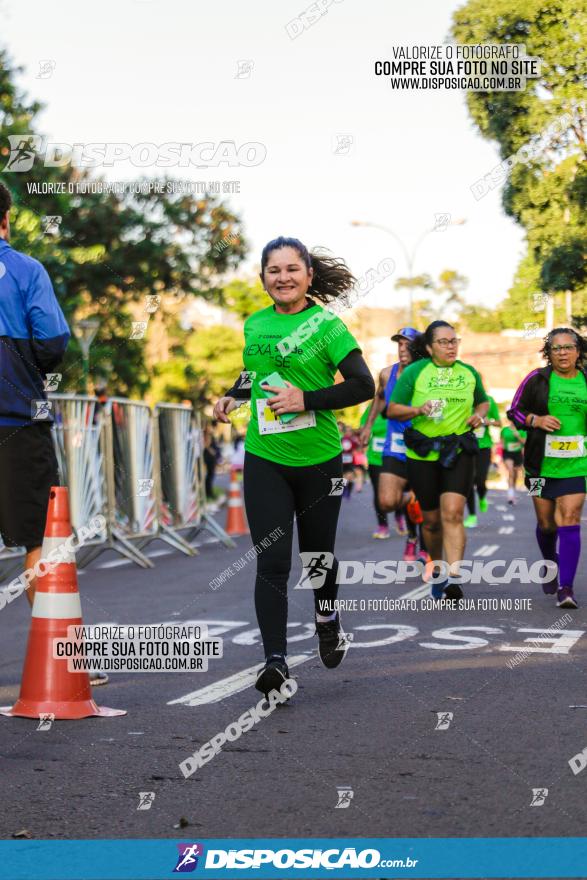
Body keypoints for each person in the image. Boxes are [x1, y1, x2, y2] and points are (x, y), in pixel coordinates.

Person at [213, 236, 374, 696]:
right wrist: (233, 394)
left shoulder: (327, 326)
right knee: (273, 561)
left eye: (291, 269)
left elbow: (362, 385)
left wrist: (306, 399)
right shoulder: (254, 324)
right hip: (265, 457)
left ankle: (327, 616)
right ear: (262, 278)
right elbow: (253, 374)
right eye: (273, 270)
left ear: (308, 275)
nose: (282, 278)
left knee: (317, 556)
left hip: (319, 460)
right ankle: (276, 662)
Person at [0, 181, 70, 608]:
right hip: (17, 420)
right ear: (5, 220)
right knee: (41, 537)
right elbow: (53, 344)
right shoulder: (27, 270)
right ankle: (57, 659)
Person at [388, 321, 489, 600]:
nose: (451, 346)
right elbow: (392, 409)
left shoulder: (468, 373)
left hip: (459, 449)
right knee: (431, 521)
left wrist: (478, 415)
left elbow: (482, 401)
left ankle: (454, 578)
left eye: (454, 340)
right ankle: (437, 566)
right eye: (443, 342)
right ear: (430, 347)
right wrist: (418, 409)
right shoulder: (415, 372)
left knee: (454, 512)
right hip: (423, 453)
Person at [508, 328, 587, 609]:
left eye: (568, 347)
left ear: (579, 351)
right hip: (538, 467)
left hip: (577, 465)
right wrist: (535, 420)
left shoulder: (586, 381)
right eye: (556, 348)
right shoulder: (537, 379)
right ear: (549, 353)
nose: (563, 353)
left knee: (570, 518)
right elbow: (513, 411)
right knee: (546, 523)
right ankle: (550, 563)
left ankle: (566, 587)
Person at [362, 327, 428, 561]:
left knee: (427, 504)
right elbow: (379, 398)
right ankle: (412, 516)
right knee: (387, 501)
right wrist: (368, 425)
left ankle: (422, 546)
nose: (402, 348)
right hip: (395, 446)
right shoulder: (386, 374)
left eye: (408, 344)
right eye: (399, 344)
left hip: (422, 447)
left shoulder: (427, 374)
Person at [464, 392, 501, 527]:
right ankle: (472, 516)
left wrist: (487, 421)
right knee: (468, 481)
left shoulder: (489, 401)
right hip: (465, 445)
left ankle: (482, 495)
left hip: (483, 446)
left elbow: (498, 422)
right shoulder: (462, 398)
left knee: (480, 479)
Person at [358, 405, 390, 538]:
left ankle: (400, 517)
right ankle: (383, 525)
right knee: (378, 492)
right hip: (375, 459)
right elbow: (363, 427)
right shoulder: (372, 408)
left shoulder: (401, 401)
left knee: (400, 491)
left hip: (396, 456)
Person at [499, 420, 526, 505]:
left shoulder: (522, 431)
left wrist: (518, 436)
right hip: (507, 453)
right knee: (510, 472)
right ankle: (510, 495)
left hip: (517, 454)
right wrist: (501, 451)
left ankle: (513, 491)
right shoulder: (505, 430)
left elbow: (524, 443)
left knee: (515, 474)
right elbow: (501, 441)